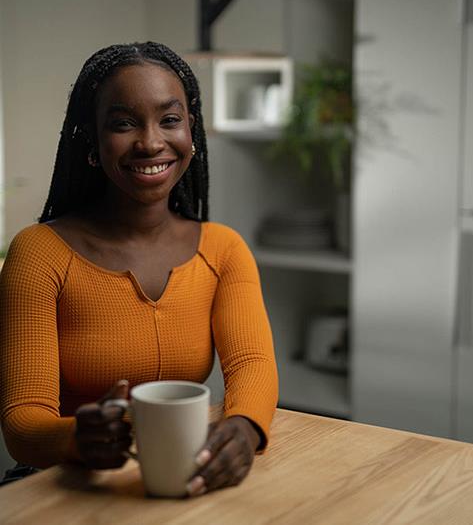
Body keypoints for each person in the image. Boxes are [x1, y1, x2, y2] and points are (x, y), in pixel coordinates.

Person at [0, 42, 278, 495]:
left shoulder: (224, 249)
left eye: (170, 119)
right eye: (124, 123)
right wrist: (77, 437)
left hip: (182, 475)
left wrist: (245, 430)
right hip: (61, 486)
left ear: (192, 132)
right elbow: (22, 424)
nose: (150, 142)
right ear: (92, 140)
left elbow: (252, 364)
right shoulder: (39, 253)